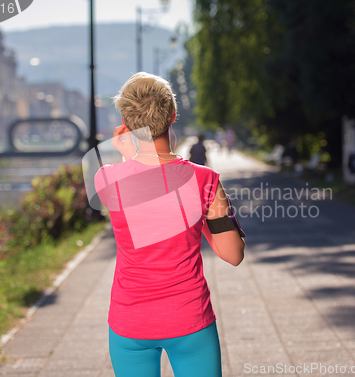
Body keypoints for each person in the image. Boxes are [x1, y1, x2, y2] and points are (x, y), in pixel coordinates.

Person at [94, 72, 245, 377]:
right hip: (189, 320)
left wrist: (130, 158)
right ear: (173, 115)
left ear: (126, 121)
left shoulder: (107, 178)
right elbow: (233, 254)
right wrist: (200, 212)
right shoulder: (205, 180)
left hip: (129, 322)